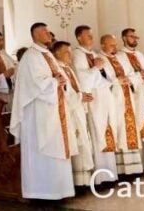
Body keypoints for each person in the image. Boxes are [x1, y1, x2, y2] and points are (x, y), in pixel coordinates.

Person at [9, 23, 74, 201]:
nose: (49, 34)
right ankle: (41, 192)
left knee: (56, 147)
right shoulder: (31, 56)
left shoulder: (47, 54)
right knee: (42, 150)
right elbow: (34, 84)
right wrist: (55, 82)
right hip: (38, 113)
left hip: (54, 109)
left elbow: (60, 76)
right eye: (45, 32)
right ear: (36, 35)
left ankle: (59, 190)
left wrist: (60, 81)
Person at [71, 26, 116, 186]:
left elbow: (109, 76)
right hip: (92, 100)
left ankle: (110, 175)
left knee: (106, 132)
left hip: (104, 97)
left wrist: (99, 70)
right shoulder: (77, 55)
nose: (91, 38)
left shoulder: (95, 54)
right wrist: (96, 68)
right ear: (79, 37)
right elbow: (82, 80)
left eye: (91, 35)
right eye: (88, 35)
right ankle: (100, 177)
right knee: (96, 135)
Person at [97, 34, 142, 175]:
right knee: (118, 129)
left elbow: (132, 73)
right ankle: (122, 170)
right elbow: (102, 80)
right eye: (111, 45)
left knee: (129, 128)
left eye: (115, 44)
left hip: (127, 97)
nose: (114, 47)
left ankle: (133, 168)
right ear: (103, 45)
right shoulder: (100, 59)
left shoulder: (120, 57)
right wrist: (118, 81)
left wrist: (130, 79)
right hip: (114, 99)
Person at [53, 41, 95, 187]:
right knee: (75, 143)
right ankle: (76, 183)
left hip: (77, 110)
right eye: (66, 52)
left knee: (82, 142)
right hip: (69, 113)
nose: (70, 55)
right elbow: (64, 92)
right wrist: (80, 97)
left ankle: (84, 181)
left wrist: (82, 95)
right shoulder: (57, 69)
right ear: (57, 53)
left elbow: (75, 88)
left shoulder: (68, 68)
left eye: (70, 52)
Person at [120, 28, 144, 171]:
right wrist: (138, 76)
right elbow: (123, 75)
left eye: (136, 36)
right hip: (135, 97)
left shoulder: (140, 55)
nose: (135, 39)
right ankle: (139, 164)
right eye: (131, 36)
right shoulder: (120, 56)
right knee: (137, 127)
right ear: (124, 38)